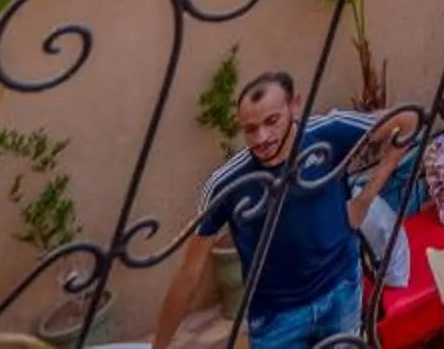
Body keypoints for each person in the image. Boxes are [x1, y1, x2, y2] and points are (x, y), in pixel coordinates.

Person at [153, 72, 418, 349]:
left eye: (272, 121)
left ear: (294, 105)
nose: (262, 137)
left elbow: (408, 120)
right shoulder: (228, 183)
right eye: (250, 129)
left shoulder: (327, 132)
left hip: (341, 291)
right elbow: (189, 273)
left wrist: (364, 200)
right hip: (276, 318)